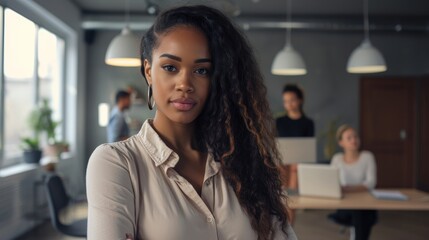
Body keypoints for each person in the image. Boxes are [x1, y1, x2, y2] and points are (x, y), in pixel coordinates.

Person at [87, 5, 297, 240]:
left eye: (201, 70)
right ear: (148, 71)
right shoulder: (117, 163)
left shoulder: (242, 159)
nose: (185, 83)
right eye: (170, 67)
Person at [328, 124, 377, 240]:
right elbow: (330, 181)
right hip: (345, 204)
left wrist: (347, 189)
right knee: (357, 213)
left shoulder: (367, 156)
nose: (354, 140)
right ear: (341, 143)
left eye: (356, 137)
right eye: (349, 138)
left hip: (365, 204)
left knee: (360, 212)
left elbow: (371, 183)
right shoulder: (337, 159)